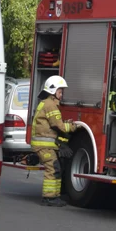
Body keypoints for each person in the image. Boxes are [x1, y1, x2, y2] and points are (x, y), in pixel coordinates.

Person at [31, 75, 75, 207]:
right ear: (53, 91)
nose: (61, 95)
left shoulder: (46, 103)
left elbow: (53, 124)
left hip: (43, 145)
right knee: (52, 168)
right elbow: (59, 126)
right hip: (44, 146)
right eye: (60, 92)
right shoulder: (51, 105)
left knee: (56, 168)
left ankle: (54, 196)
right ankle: (49, 198)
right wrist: (74, 127)